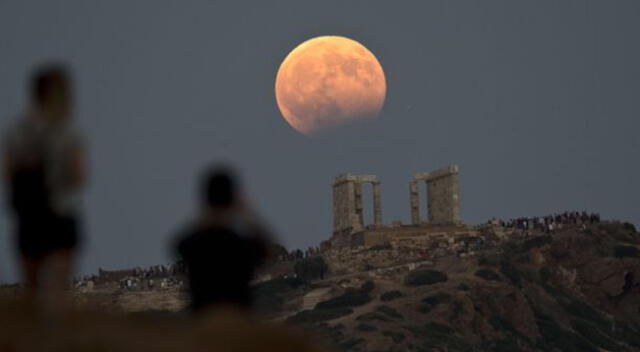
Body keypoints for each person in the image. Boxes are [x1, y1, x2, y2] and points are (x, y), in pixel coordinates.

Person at [3, 63, 86, 301]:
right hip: (61, 211)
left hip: (28, 213)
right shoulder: (68, 132)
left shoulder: (17, 131)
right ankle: (57, 335)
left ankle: (30, 335)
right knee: (60, 288)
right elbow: (79, 175)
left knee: (30, 285)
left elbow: (8, 174)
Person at [175, 166, 268, 312]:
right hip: (237, 320)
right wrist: (248, 215)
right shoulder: (242, 245)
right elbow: (265, 248)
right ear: (232, 200)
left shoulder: (193, 244)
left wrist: (207, 212)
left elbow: (179, 243)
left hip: (203, 321)